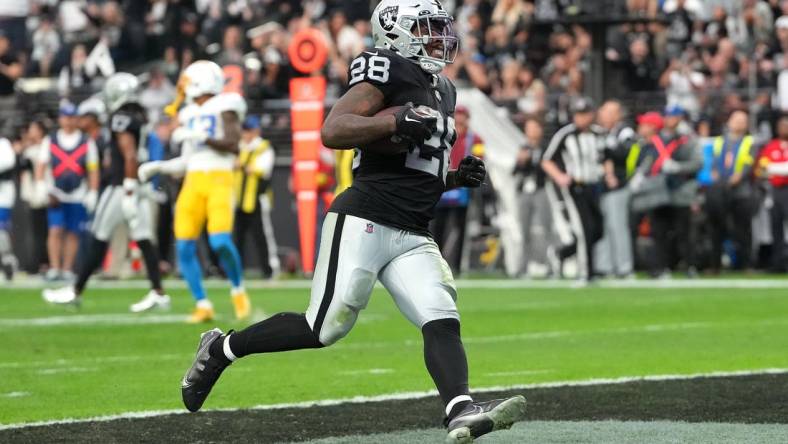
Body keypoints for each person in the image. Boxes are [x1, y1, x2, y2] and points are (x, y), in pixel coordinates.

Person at [178, 2, 526, 443]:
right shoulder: (387, 70)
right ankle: (221, 349)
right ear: (396, 32)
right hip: (365, 216)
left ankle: (460, 409)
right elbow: (334, 129)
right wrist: (392, 119)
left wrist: (454, 176)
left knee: (441, 315)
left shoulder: (445, 89)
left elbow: (413, 165)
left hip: (413, 228)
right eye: (425, 28)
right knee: (324, 326)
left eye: (438, 27)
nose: (438, 36)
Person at [43, 73, 170, 312]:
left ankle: (75, 290)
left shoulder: (121, 117)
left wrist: (129, 190)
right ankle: (158, 292)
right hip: (138, 185)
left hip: (122, 186)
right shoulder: (138, 116)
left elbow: (130, 154)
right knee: (144, 240)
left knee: (98, 236)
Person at [138, 60, 251, 323]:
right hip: (193, 181)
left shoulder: (225, 104)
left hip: (220, 179)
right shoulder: (188, 114)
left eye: (187, 82)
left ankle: (238, 290)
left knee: (220, 242)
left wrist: (201, 138)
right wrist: (159, 167)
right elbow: (187, 162)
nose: (182, 88)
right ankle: (202, 303)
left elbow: (234, 145)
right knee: (185, 245)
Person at [541, 97, 606, 283]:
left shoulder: (598, 134)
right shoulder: (566, 134)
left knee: (598, 229)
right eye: (578, 114)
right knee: (585, 229)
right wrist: (560, 177)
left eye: (585, 114)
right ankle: (586, 273)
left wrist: (607, 173)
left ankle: (562, 253)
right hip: (576, 187)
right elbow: (547, 160)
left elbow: (605, 157)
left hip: (594, 186)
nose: (581, 118)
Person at [34, 102, 100, 281]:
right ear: (60, 119)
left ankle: (67, 268)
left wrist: (93, 191)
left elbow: (93, 169)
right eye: (65, 117)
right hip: (56, 192)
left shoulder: (86, 142)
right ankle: (54, 267)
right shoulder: (51, 140)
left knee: (73, 232)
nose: (69, 121)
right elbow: (41, 165)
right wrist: (41, 186)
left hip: (78, 192)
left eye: (72, 117)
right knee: (55, 229)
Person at [644, 105, 702, 277]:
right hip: (659, 192)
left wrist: (678, 167)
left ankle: (690, 266)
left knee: (684, 232)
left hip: (681, 192)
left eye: (674, 116)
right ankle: (661, 267)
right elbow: (647, 161)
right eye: (668, 116)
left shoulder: (687, 139)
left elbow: (697, 163)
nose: (671, 119)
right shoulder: (655, 140)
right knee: (658, 231)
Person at [431, 105, 484, 274]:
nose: (460, 120)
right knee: (437, 228)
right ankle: (436, 264)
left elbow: (480, 158)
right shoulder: (445, 135)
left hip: (462, 190)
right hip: (444, 186)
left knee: (460, 229)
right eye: (458, 116)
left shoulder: (475, 138)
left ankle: (457, 267)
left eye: (463, 116)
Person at [703, 110, 758, 272]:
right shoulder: (720, 141)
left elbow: (749, 163)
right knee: (716, 227)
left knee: (743, 229)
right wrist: (716, 176)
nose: (739, 123)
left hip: (741, 191)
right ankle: (715, 265)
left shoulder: (749, 142)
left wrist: (738, 177)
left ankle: (746, 265)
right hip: (720, 190)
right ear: (729, 122)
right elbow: (714, 162)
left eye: (743, 120)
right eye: (736, 120)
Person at [232, 115, 280, 279]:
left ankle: (270, 269)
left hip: (258, 198)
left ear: (256, 131)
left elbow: (262, 169)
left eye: (249, 130)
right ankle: (235, 270)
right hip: (239, 199)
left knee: (263, 236)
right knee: (238, 237)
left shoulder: (263, 147)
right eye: (244, 130)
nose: (246, 134)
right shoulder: (240, 147)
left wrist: (242, 165)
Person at [595, 100, 637, 279]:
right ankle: (604, 266)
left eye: (608, 112)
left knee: (618, 226)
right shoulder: (601, 132)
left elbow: (624, 152)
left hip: (619, 185)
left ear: (617, 114)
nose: (603, 115)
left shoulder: (624, 131)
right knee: (602, 227)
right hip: (601, 186)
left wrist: (606, 152)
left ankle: (624, 266)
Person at [514, 117, 553, 277]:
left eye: (534, 127)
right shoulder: (523, 147)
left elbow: (549, 168)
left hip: (540, 190)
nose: (531, 131)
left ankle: (551, 266)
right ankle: (522, 267)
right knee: (524, 231)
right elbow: (515, 171)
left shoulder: (545, 147)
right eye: (528, 128)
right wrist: (521, 161)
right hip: (524, 191)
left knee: (546, 228)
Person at [758, 114, 788, 271]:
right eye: (782, 126)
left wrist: (774, 168)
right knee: (775, 227)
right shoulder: (771, 146)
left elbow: (769, 168)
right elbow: (762, 169)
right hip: (775, 191)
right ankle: (778, 263)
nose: (784, 128)